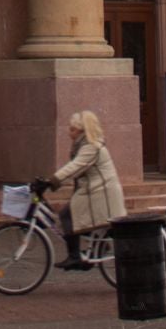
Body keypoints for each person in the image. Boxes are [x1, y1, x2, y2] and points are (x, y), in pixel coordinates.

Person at [40, 109, 126, 271]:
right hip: (93, 191)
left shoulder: (91, 146)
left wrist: (52, 181)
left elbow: (75, 167)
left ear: (82, 131)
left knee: (67, 215)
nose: (69, 133)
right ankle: (97, 246)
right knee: (76, 217)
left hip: (101, 193)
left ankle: (75, 256)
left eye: (72, 129)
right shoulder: (85, 144)